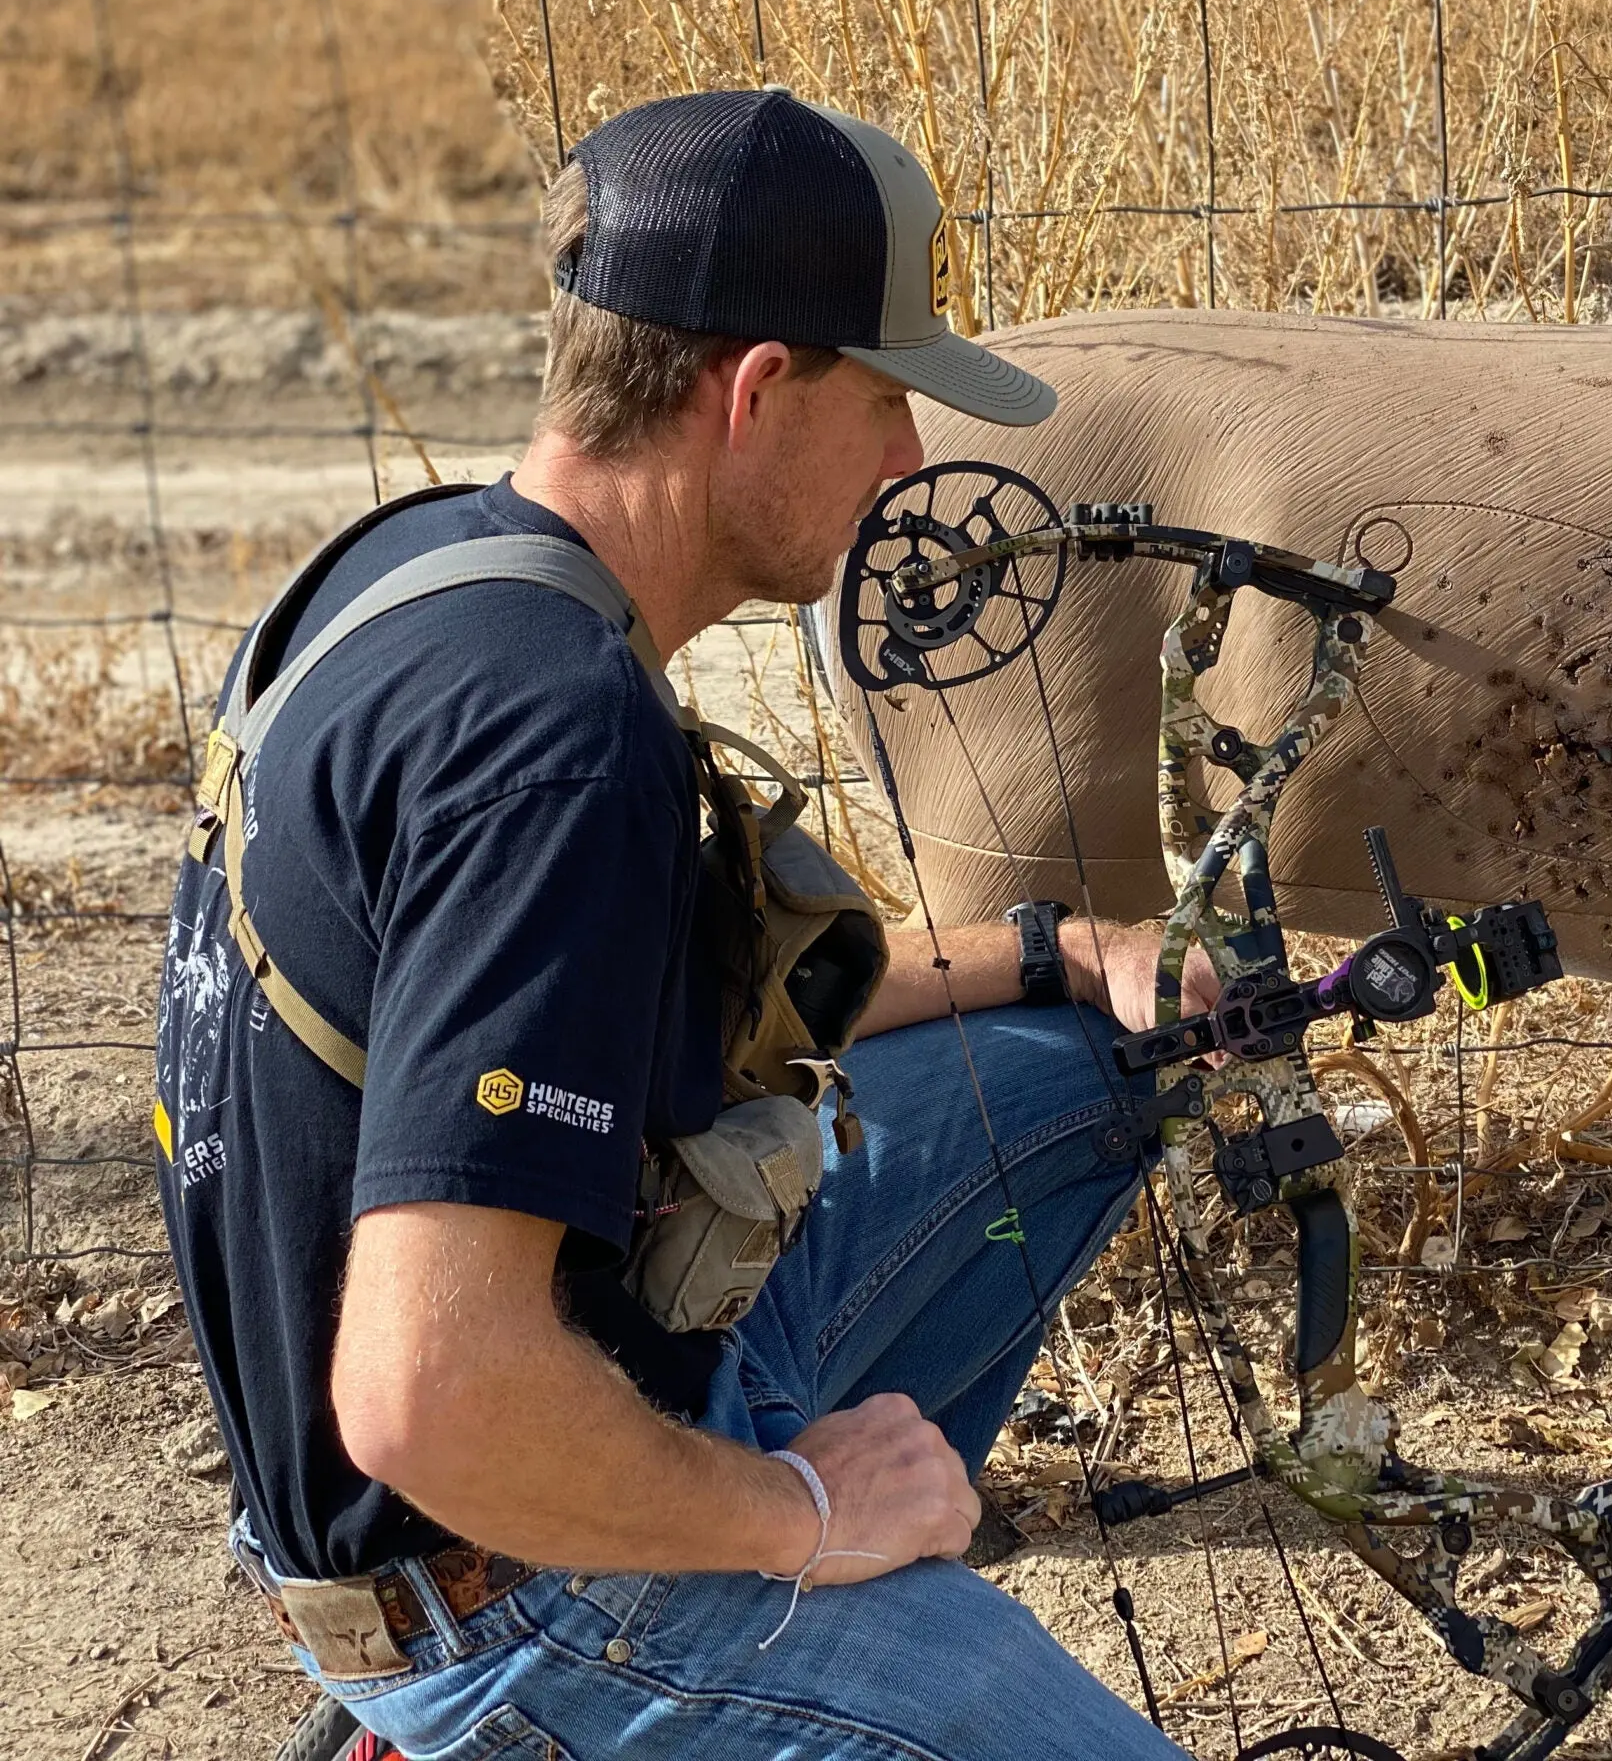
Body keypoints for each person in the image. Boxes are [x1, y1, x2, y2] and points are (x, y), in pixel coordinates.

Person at [153, 88, 1198, 1760]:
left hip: (522, 1410)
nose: (912, 462)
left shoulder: (421, 575)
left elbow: (624, 1012)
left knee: (1070, 1074)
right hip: (512, 1583)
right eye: (887, 402)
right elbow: (430, 1395)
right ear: (761, 389)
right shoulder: (560, 737)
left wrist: (1051, 956)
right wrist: (798, 1512)